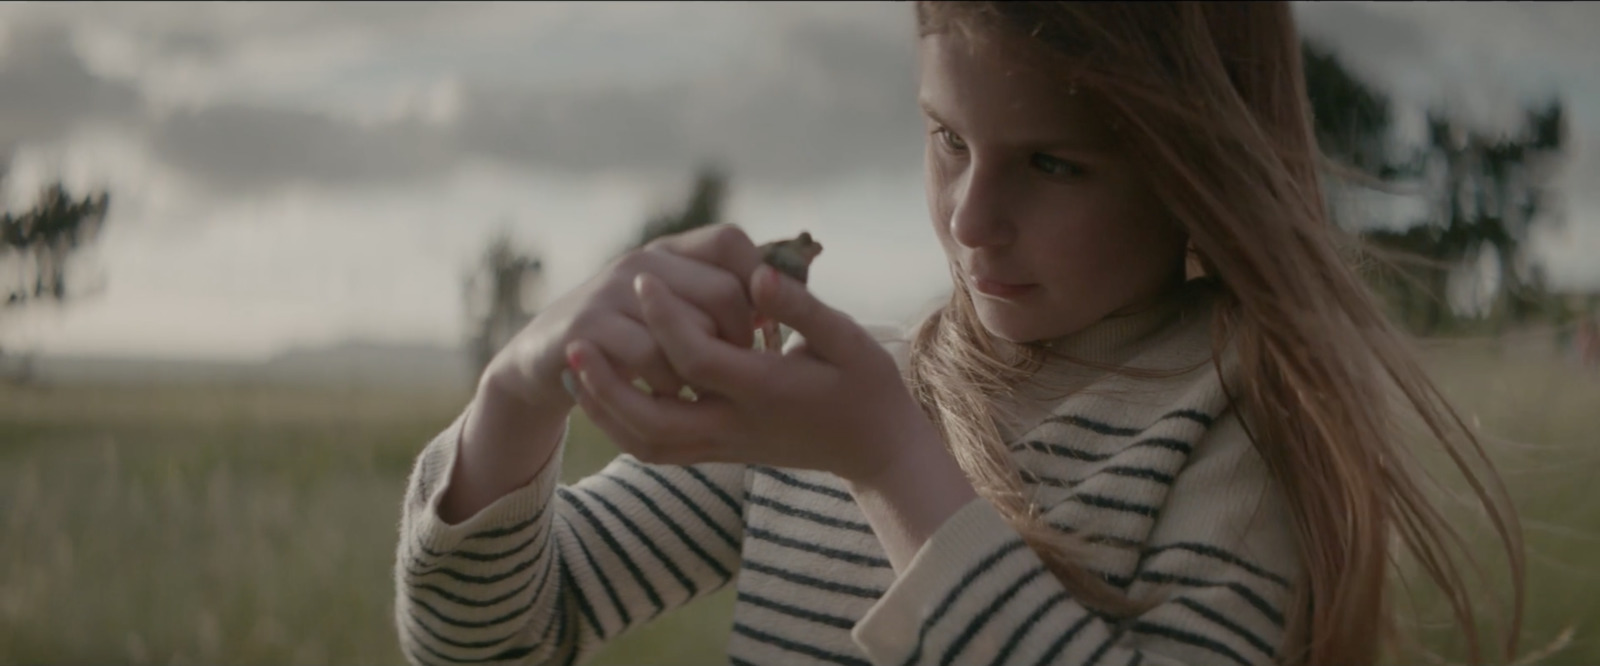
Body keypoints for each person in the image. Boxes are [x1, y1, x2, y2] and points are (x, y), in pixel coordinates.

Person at [394, 3, 1526, 665]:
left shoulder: (1236, 439)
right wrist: (520, 390)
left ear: (1192, 173)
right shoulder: (843, 402)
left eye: (1050, 163)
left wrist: (891, 467)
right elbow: (492, 639)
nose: (970, 219)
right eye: (945, 139)